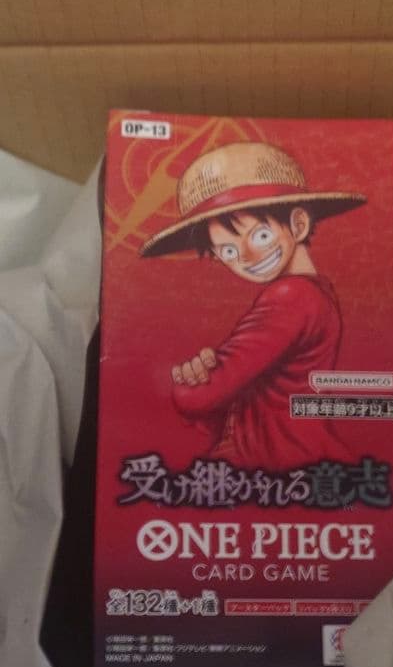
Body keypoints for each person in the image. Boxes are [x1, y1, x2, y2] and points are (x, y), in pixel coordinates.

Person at [142, 141, 365, 471]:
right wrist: (205, 376)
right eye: (229, 252)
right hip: (285, 458)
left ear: (298, 224)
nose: (246, 257)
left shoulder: (291, 297)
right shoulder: (315, 293)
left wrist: (192, 384)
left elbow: (200, 398)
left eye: (260, 236)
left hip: (278, 463)